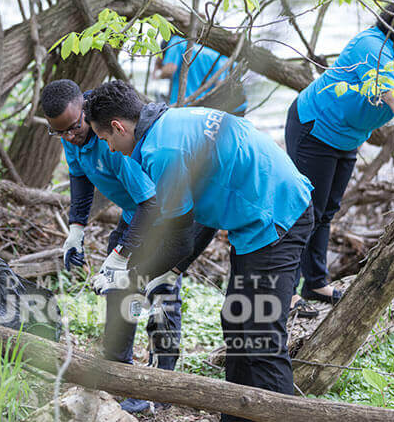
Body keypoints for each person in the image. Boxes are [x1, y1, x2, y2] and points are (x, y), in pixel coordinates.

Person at [84, 80, 314, 422]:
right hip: (257, 215)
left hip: (276, 215)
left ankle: (278, 415)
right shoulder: (169, 123)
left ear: (118, 127)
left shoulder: (161, 153)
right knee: (237, 320)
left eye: (106, 140)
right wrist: (166, 270)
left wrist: (132, 276)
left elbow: (179, 239)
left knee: (261, 334)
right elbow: (198, 219)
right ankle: (236, 415)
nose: (111, 150)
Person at [41, 79, 216, 414]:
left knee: (159, 287)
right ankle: (120, 375)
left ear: (84, 110)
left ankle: (164, 384)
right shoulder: (72, 130)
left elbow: (151, 202)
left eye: (74, 128)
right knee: (120, 290)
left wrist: (121, 255)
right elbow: (79, 178)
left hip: (166, 211)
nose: (68, 137)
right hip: (137, 213)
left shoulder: (115, 137)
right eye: (58, 132)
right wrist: (76, 229)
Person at [286, 0, 394, 307]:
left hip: (347, 138)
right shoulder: (371, 46)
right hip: (314, 127)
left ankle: (315, 284)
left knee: (327, 210)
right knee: (304, 211)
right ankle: (285, 291)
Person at [157, 35, 246, 113]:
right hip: (206, 109)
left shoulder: (177, 41)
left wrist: (158, 71)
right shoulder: (214, 51)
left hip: (184, 106)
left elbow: (169, 70)